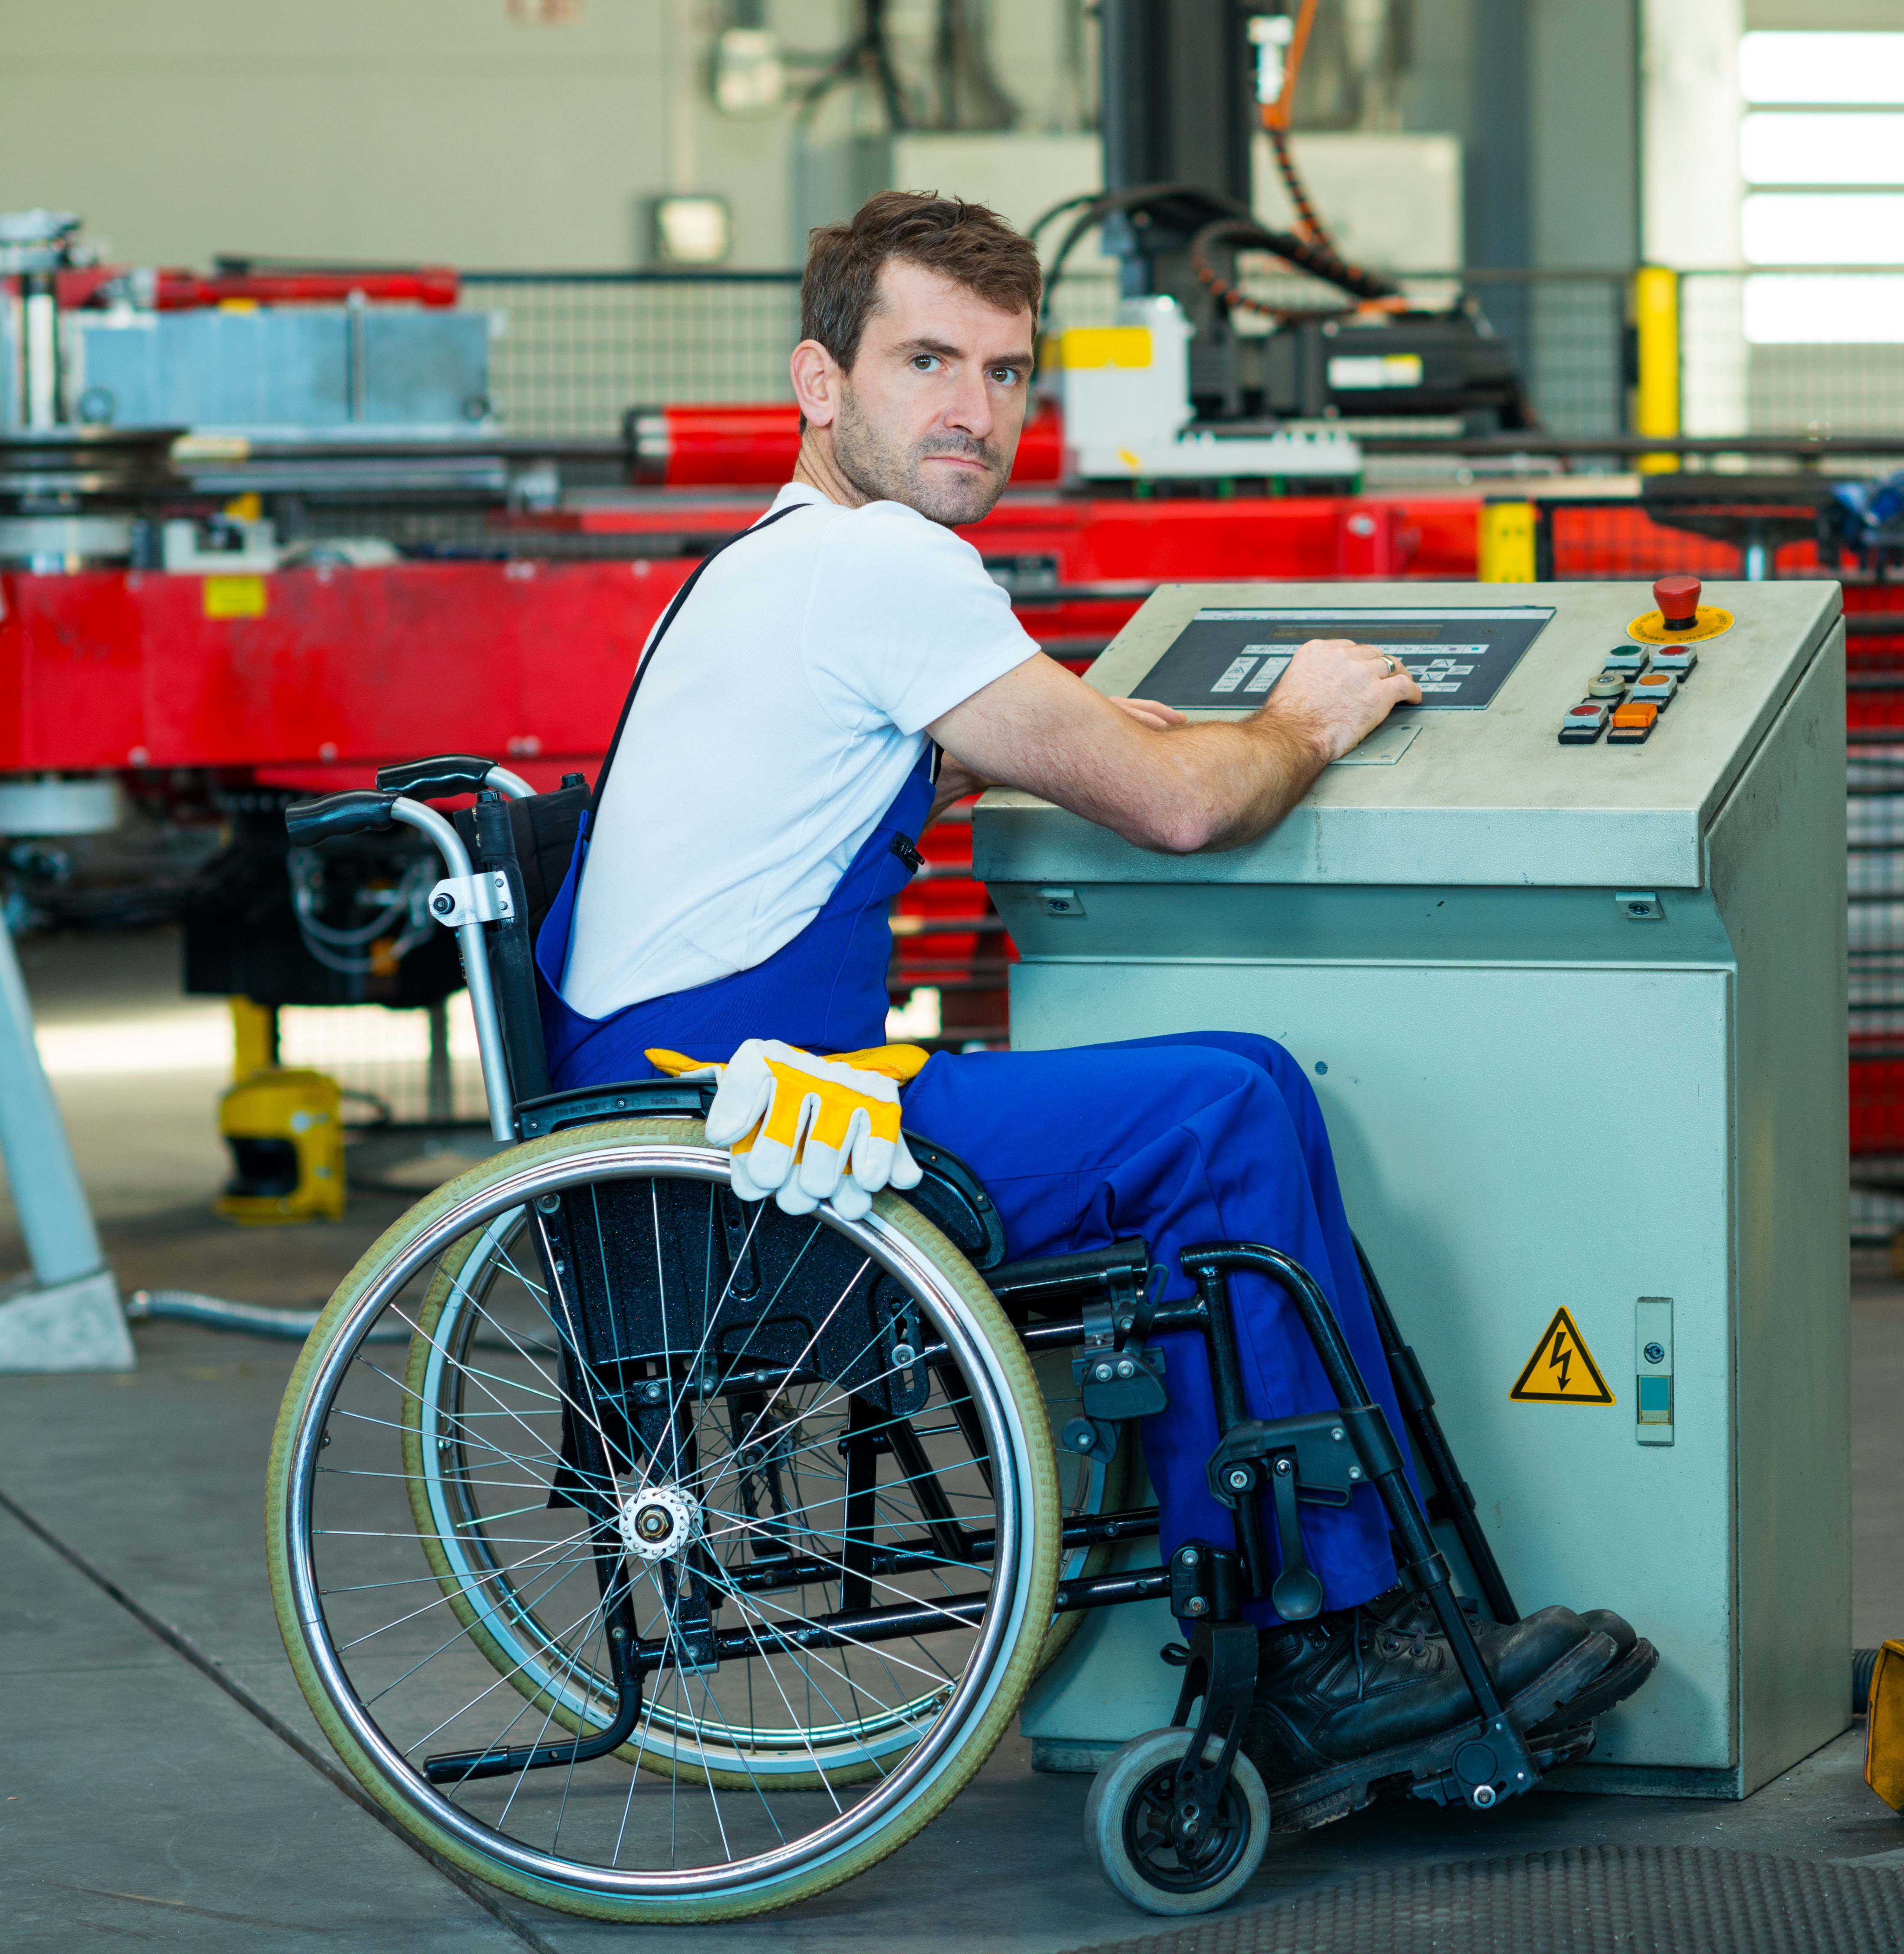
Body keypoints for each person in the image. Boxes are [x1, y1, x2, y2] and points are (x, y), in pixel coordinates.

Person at [530, 190, 1651, 1825]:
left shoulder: (772, 566)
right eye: (927, 361)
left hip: (693, 1120)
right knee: (1229, 1108)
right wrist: (1309, 719)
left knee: (1228, 1083)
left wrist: (1107, 725)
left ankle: (1354, 1602)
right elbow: (1184, 810)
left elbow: (1011, 725)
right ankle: (1329, 1637)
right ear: (819, 383)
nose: (974, 410)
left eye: (1005, 370)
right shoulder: (879, 566)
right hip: (738, 1149)